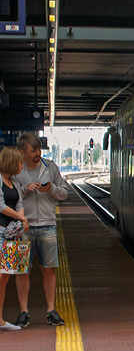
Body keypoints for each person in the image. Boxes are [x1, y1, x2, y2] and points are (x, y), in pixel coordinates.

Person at [12, 133, 68, 326]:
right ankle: (23, 312)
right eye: (33, 150)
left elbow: (64, 193)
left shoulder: (50, 167)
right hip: (22, 227)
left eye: (39, 149)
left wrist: (52, 188)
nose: (38, 153)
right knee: (22, 270)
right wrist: (25, 189)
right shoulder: (15, 170)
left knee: (49, 269)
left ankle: (51, 310)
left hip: (47, 225)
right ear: (22, 152)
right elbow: (8, 196)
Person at [0, 147, 29, 331]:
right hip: (1, 232)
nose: (22, 166)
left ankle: (0, 320)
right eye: (20, 162)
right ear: (11, 162)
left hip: (13, 234)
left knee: (5, 277)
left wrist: (22, 215)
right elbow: (0, 205)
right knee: (0, 275)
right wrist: (20, 218)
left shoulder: (14, 181)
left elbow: (19, 202)